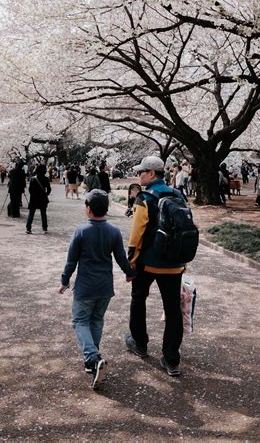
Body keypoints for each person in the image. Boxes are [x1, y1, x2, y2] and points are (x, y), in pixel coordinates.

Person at [58, 189, 135, 389]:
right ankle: (92, 362)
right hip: (105, 286)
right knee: (96, 320)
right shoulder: (114, 231)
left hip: (85, 286)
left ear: (89, 209)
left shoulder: (81, 231)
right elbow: (120, 258)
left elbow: (71, 261)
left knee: (79, 321)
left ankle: (92, 357)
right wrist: (130, 272)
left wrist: (65, 281)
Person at [124, 155, 186, 377]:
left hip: (148, 263)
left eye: (142, 172)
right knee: (172, 309)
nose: (139, 175)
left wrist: (130, 262)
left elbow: (136, 234)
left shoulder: (145, 197)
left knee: (138, 299)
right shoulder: (178, 195)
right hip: (174, 264)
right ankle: (171, 359)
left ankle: (139, 344)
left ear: (152, 174)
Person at [26, 164, 52, 234]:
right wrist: (46, 194)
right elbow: (49, 189)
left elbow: (30, 189)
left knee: (31, 213)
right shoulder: (46, 179)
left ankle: (28, 228)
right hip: (42, 198)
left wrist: (33, 195)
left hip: (34, 198)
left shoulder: (33, 179)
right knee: (43, 214)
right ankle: (45, 228)